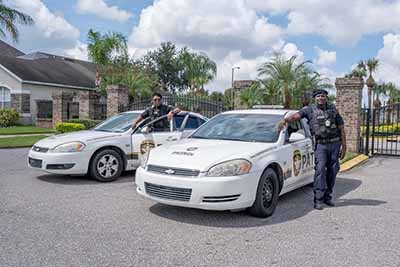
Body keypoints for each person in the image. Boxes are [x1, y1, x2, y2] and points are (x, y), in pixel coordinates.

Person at [278, 89, 347, 210]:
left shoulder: (333, 109)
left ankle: (328, 196)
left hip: (335, 144)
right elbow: (295, 116)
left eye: (323, 96)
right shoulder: (309, 110)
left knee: (333, 170)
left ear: (326, 97)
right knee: (320, 170)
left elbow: (341, 128)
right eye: (318, 96)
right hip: (321, 145)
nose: (321, 98)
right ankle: (318, 199)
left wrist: (344, 146)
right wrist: (285, 120)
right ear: (315, 98)